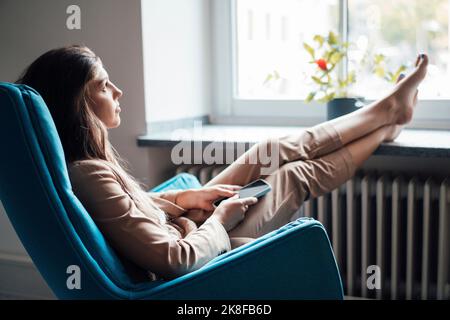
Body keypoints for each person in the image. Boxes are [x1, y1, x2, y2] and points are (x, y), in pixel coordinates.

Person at [17, 45, 428, 281]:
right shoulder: (88, 174)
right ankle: (385, 120)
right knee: (296, 175)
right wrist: (221, 217)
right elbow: (171, 260)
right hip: (200, 248)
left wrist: (190, 196)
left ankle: (386, 117)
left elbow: (126, 215)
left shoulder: (86, 166)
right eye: (104, 86)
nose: (118, 91)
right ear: (78, 106)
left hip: (191, 226)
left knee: (272, 152)